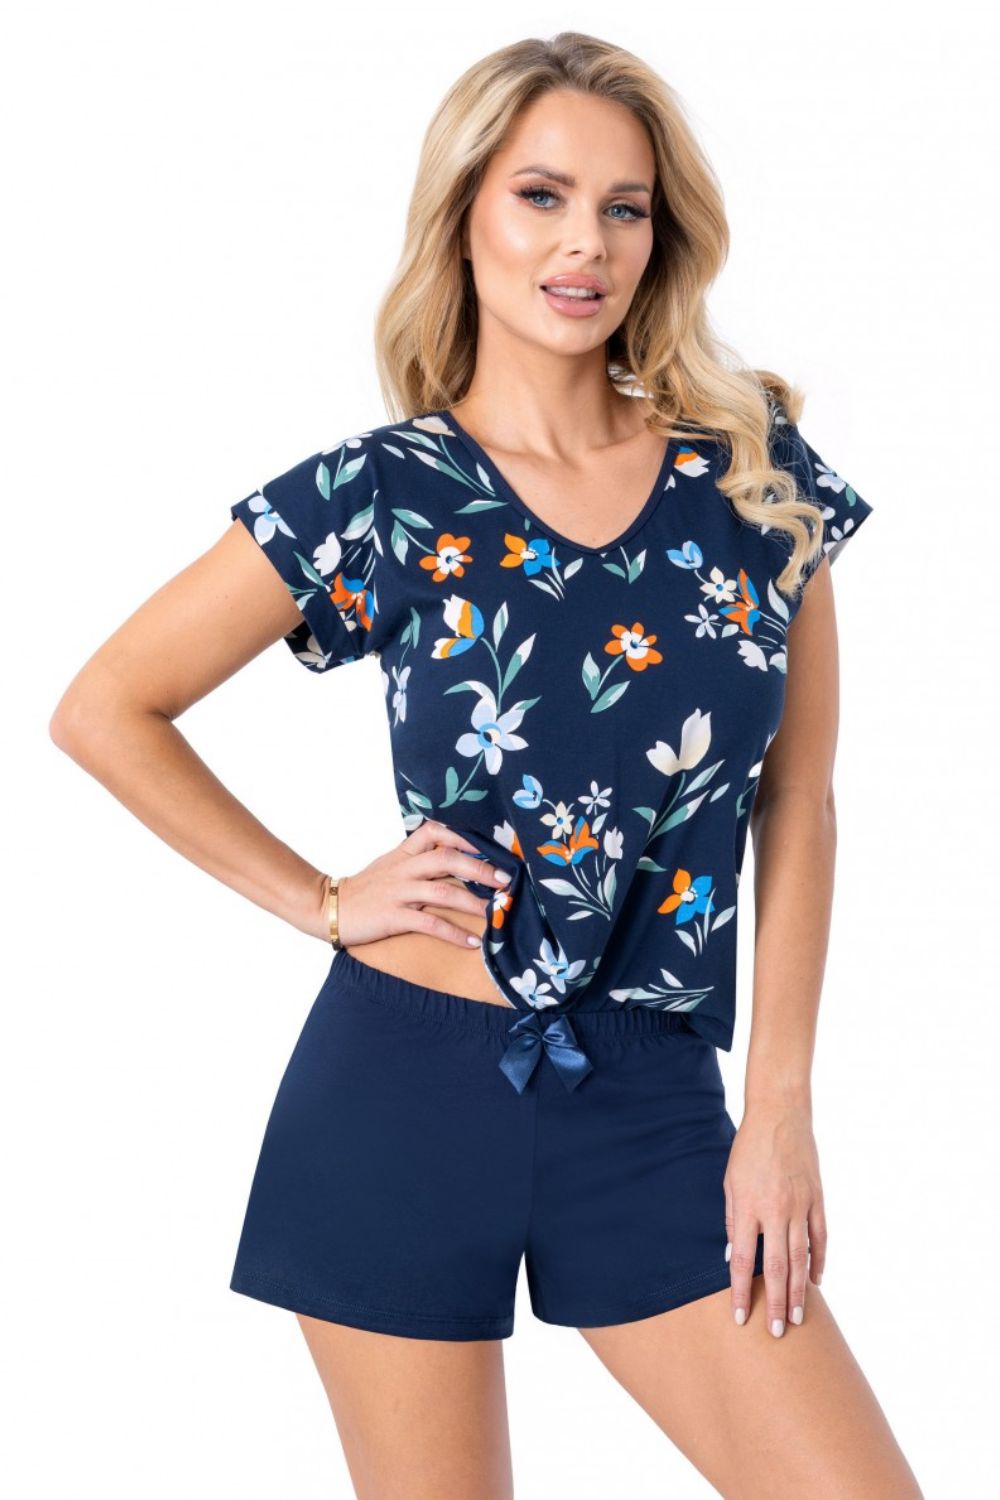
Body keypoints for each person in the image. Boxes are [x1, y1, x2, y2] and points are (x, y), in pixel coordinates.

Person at [50, 30, 923, 1500]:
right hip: (402, 1088)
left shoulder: (751, 472)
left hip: (651, 1104)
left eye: (624, 206)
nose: (586, 243)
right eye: (541, 195)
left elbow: (799, 799)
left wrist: (780, 1105)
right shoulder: (385, 494)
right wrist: (326, 900)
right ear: (464, 214)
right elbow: (106, 707)